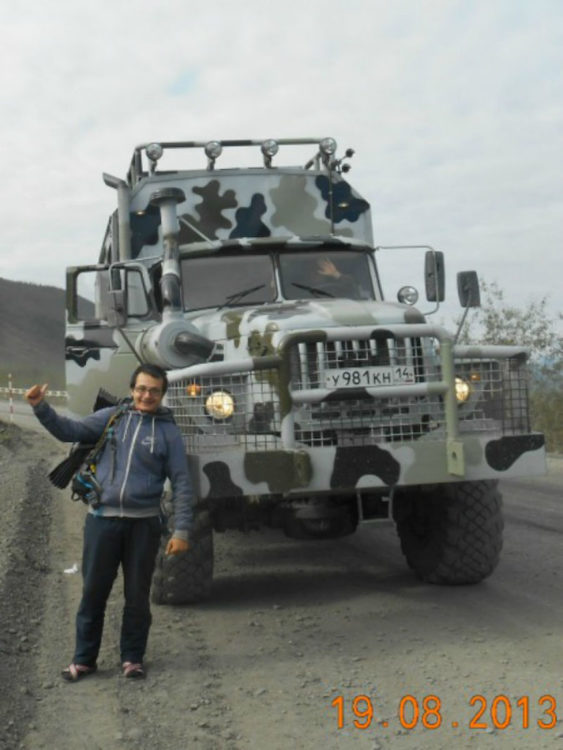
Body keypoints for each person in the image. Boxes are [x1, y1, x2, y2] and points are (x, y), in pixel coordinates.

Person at [25, 363, 193, 681]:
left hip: (144, 526)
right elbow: (69, 431)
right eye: (142, 389)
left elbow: (182, 482)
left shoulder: (169, 432)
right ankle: (84, 660)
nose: (147, 395)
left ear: (162, 394)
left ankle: (132, 659)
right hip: (102, 522)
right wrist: (40, 407)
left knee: (137, 596)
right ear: (132, 389)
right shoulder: (112, 418)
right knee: (93, 593)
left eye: (154, 391)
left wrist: (181, 529)